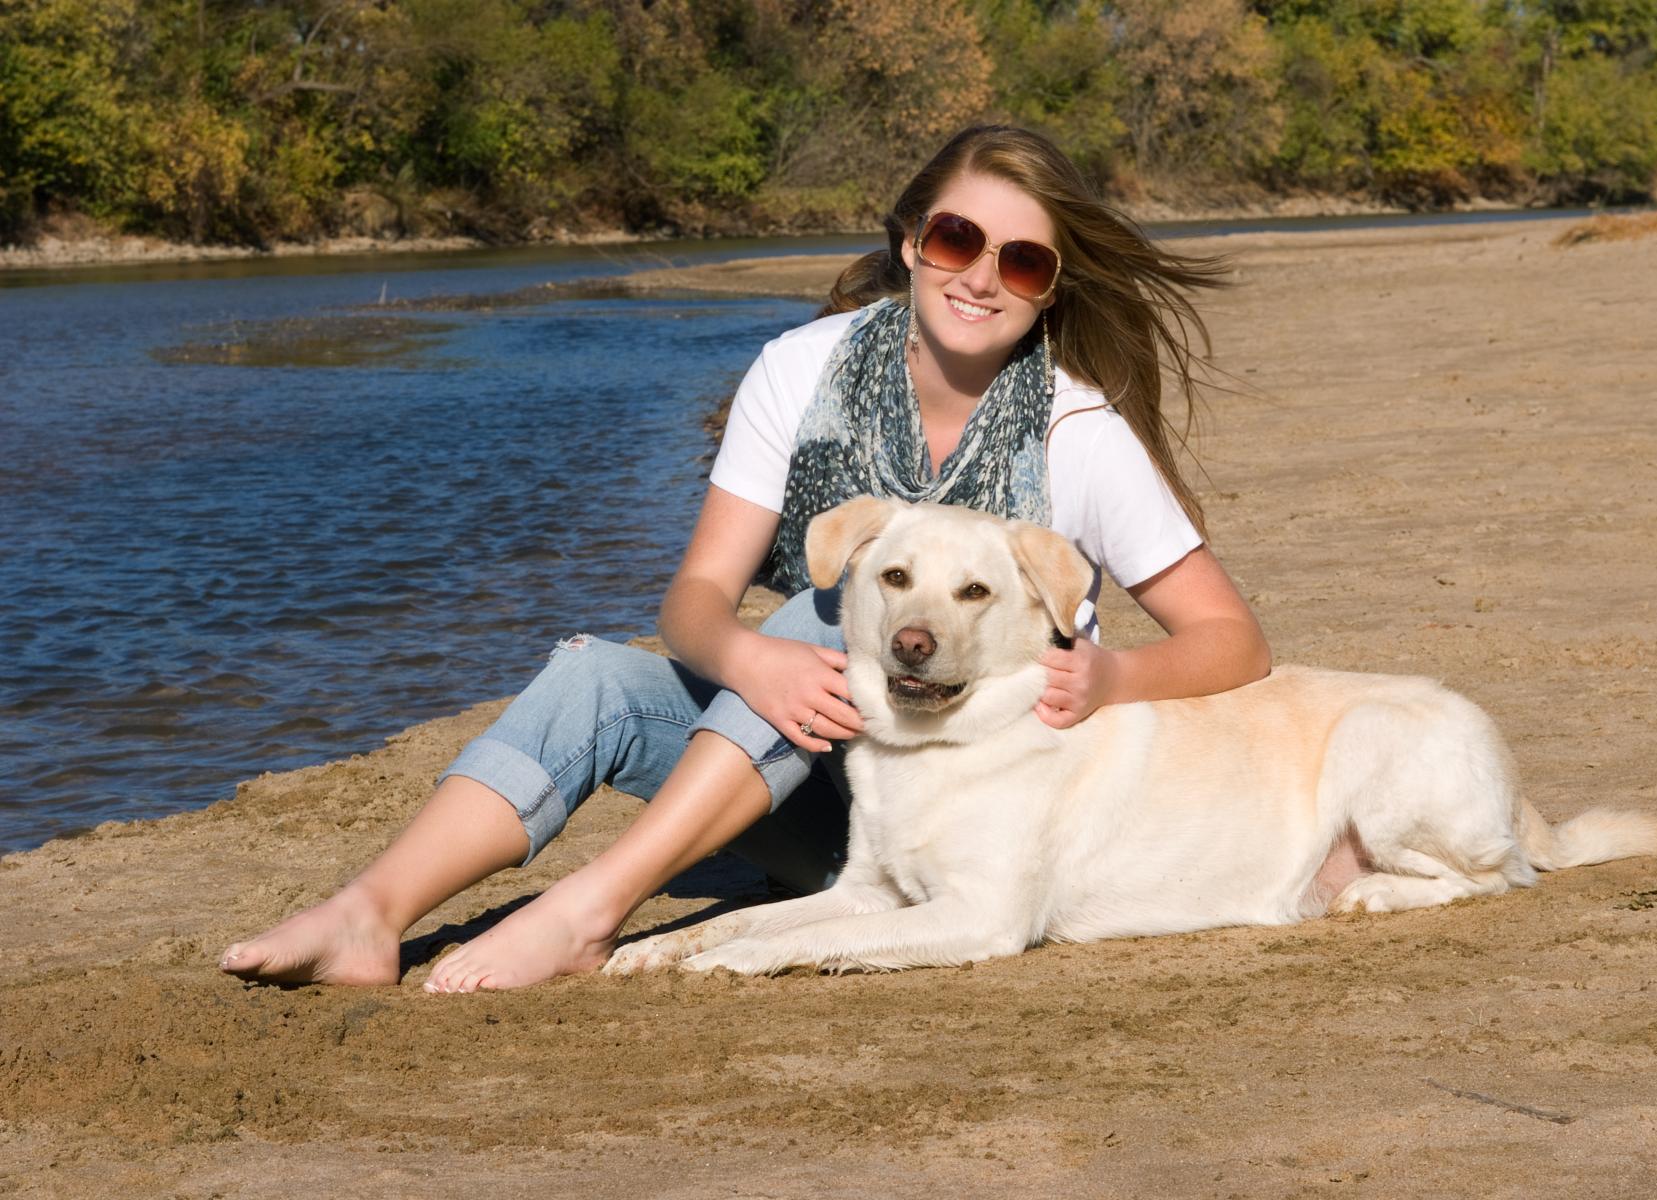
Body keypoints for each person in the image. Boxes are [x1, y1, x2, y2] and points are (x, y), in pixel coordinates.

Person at [219, 125, 1272, 992]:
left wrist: (1111, 675)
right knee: (609, 671)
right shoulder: (798, 370)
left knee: (827, 610)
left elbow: (1232, 641)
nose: (982, 277)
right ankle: (369, 914)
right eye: (957, 239)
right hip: (812, 770)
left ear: (1048, 290)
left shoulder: (1076, 432)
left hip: (990, 812)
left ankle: (587, 912)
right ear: (911, 242)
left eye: (1023, 262)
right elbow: (693, 602)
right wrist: (741, 657)